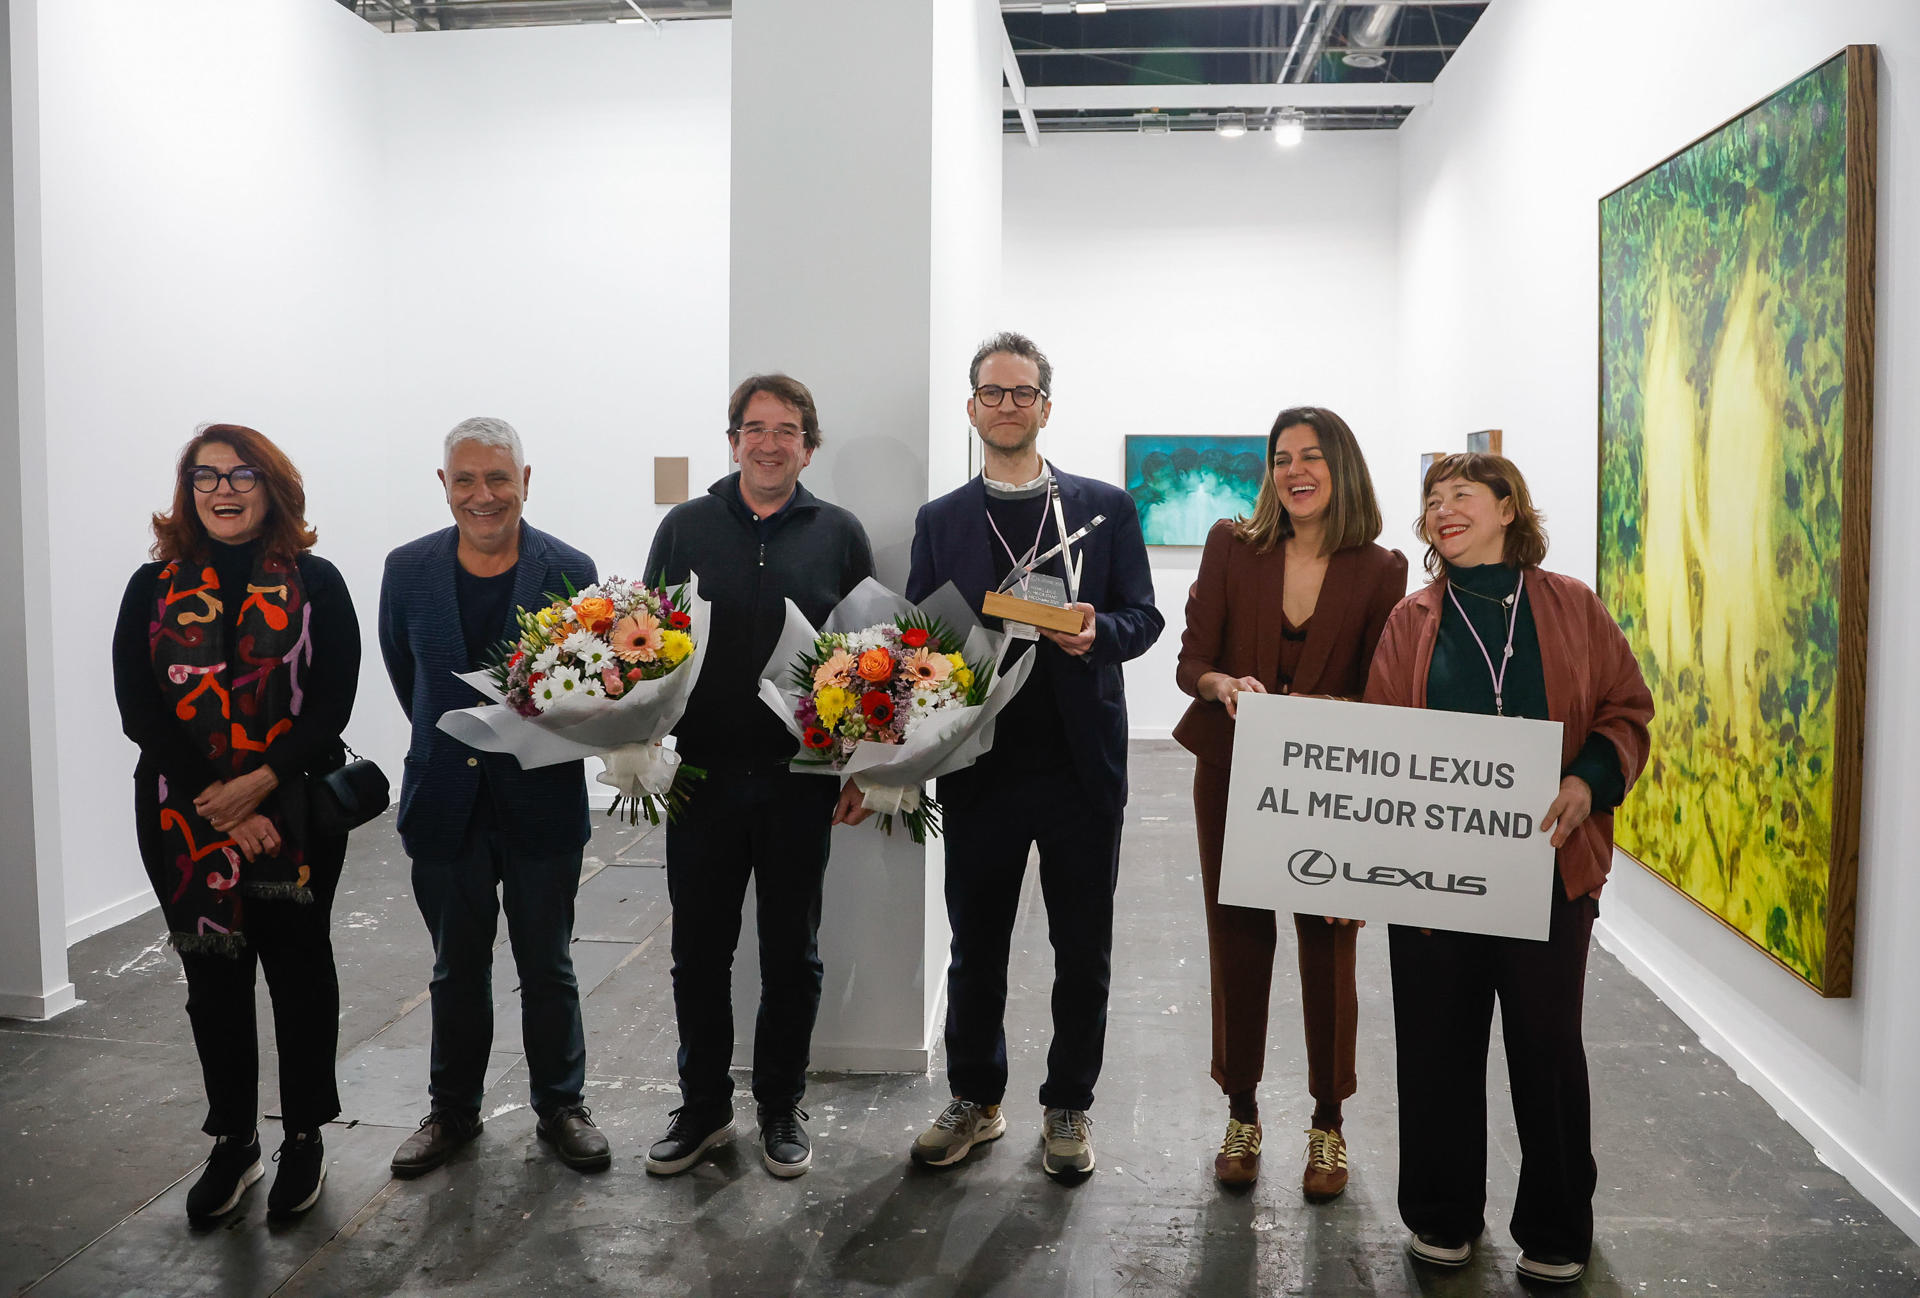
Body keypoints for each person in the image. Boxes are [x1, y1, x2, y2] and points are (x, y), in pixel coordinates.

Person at [1364, 452, 1653, 1286]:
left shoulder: (1571, 606)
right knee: (1436, 1045)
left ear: (1507, 510)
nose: (1443, 510)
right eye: (1433, 500)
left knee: (1547, 1047)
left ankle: (1557, 1227)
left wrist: (1587, 779)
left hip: (1551, 870)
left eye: (1462, 495)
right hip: (1434, 879)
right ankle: (1442, 1215)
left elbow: (1626, 709)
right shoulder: (1411, 619)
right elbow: (1381, 741)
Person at [888, 331, 1163, 1181]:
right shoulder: (941, 521)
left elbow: (1144, 618)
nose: (1007, 406)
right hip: (980, 766)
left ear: (1046, 406)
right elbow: (918, 637)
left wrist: (1097, 631)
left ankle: (1068, 1103)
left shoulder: (1103, 508)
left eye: (1022, 393)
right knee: (976, 947)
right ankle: (976, 1098)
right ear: (971, 407)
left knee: (1083, 950)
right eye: (992, 392)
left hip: (1082, 767)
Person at [113, 424, 361, 1222]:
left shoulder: (317, 582)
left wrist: (256, 787)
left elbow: (331, 706)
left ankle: (304, 1137)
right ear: (187, 490)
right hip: (182, 816)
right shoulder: (150, 588)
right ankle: (235, 1142)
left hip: (295, 811)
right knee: (213, 983)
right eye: (206, 475)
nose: (223, 490)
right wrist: (219, 801)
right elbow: (140, 710)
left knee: (299, 974)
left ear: (272, 487)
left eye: (242, 474)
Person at [641, 374, 874, 1180]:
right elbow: (648, 641)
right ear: (733, 440)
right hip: (700, 778)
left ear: (809, 447)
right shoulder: (686, 526)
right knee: (699, 954)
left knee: (791, 954)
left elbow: (869, 660)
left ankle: (781, 1105)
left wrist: (863, 770)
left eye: (786, 431)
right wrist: (639, 746)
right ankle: (703, 1107)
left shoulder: (839, 534)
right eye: (754, 428)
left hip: (797, 779)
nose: (769, 443)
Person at [1173, 406, 1407, 1196]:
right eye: (1281, 458)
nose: (1294, 471)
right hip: (1232, 769)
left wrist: (1329, 711)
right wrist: (1221, 684)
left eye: (1311, 456)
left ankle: (1327, 1124)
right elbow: (1192, 662)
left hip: (1330, 783)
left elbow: (1382, 686)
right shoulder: (1231, 547)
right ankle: (1241, 1113)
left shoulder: (1380, 569)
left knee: (1328, 940)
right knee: (1237, 936)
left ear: (1342, 468)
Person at [378, 417, 610, 1176]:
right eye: (466, 479)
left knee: (548, 966)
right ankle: (452, 1113)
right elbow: (406, 673)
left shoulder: (568, 569)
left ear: (525, 481)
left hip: (541, 801)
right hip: (445, 799)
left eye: (499, 478)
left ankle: (562, 1106)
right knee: (455, 969)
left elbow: (588, 681)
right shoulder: (407, 570)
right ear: (444, 486)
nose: (484, 495)